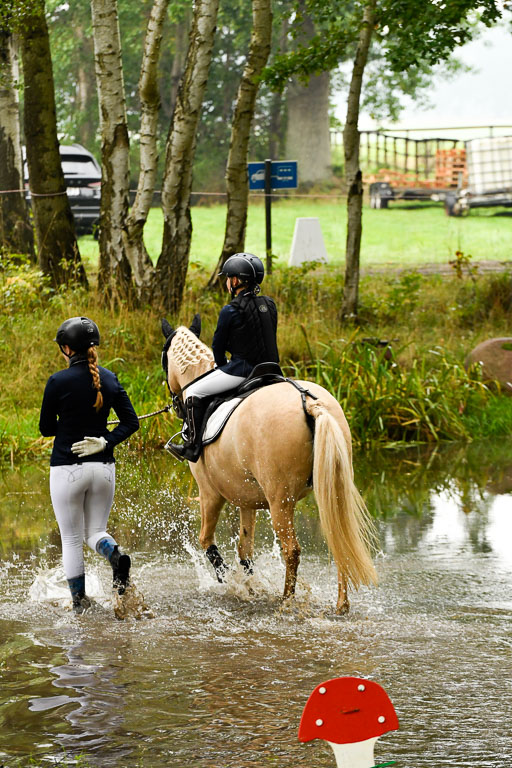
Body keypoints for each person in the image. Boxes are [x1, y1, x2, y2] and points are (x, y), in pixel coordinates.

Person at [39, 316, 139, 614]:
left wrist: (70, 420)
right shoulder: (109, 378)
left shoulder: (58, 381)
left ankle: (80, 604)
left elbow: (46, 428)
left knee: (71, 538)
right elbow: (131, 422)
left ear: (67, 349)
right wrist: (106, 440)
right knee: (95, 530)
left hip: (67, 469)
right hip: (103, 469)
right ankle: (116, 556)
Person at [166, 252, 279, 463]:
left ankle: (191, 446)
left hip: (242, 372)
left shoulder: (230, 309)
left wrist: (222, 365)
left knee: (192, 391)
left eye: (228, 278)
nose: (227, 282)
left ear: (235, 281)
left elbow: (217, 348)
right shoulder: (270, 304)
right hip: (272, 369)